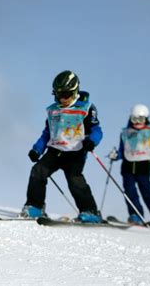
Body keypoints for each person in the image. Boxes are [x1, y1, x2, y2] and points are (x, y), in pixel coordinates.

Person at [20, 70, 103, 223]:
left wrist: (92, 141)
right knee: (38, 171)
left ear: (75, 90)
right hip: (55, 150)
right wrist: (37, 149)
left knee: (75, 180)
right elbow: (47, 133)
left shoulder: (86, 108)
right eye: (59, 95)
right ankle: (35, 207)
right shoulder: (53, 110)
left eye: (66, 94)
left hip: (75, 151)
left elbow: (96, 130)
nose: (63, 99)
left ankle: (90, 211)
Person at [108, 104, 150, 229]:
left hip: (143, 167)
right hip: (127, 167)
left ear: (146, 118)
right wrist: (115, 155)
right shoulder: (125, 132)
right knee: (130, 192)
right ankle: (136, 215)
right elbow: (122, 150)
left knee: (147, 192)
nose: (137, 123)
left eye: (140, 119)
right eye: (134, 119)